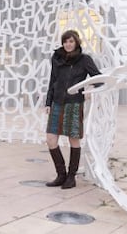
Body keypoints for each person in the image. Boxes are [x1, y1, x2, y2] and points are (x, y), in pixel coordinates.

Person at [45, 30, 101, 189]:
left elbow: (99, 79)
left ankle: (71, 177)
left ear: (76, 42)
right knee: (50, 139)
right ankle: (61, 175)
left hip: (74, 104)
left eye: (71, 41)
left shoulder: (84, 59)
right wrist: (48, 102)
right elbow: (53, 81)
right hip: (57, 102)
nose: (68, 44)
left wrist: (87, 90)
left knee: (73, 139)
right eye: (65, 41)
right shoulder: (57, 59)